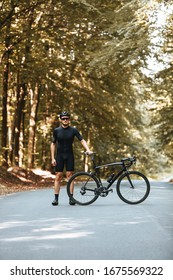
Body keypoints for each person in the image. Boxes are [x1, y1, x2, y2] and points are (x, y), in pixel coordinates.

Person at [50, 111, 92, 206]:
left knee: (70, 176)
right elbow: (53, 144)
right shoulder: (56, 131)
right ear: (61, 120)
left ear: (69, 120)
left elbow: (82, 140)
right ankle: (56, 199)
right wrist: (53, 158)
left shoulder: (73, 130)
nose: (65, 120)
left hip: (69, 155)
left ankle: (71, 198)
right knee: (58, 176)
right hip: (59, 156)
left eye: (67, 118)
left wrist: (88, 150)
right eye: (63, 118)